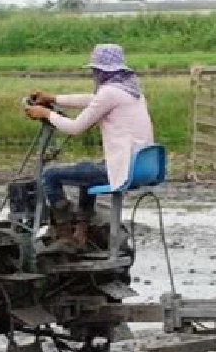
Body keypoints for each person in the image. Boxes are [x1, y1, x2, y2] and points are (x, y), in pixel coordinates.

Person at [25, 44, 154, 246]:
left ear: (101, 71)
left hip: (123, 169)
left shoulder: (110, 93)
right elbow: (91, 100)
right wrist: (53, 99)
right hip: (140, 167)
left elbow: (75, 128)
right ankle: (82, 232)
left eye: (95, 71)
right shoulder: (130, 91)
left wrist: (47, 114)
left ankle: (65, 236)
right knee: (87, 173)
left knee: (49, 175)